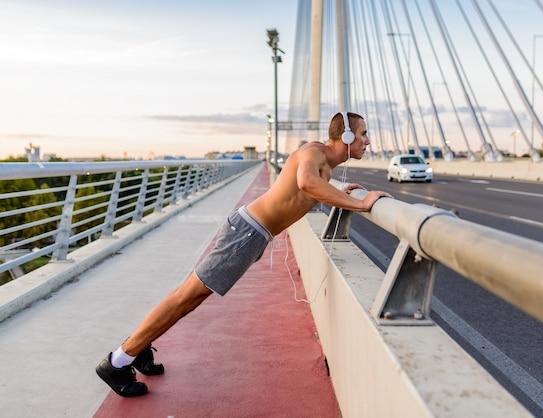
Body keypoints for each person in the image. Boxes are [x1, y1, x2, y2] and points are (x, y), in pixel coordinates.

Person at [95, 111, 393, 397]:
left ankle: (140, 345)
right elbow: (305, 182)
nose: (368, 141)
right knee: (188, 296)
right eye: (364, 134)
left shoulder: (325, 163)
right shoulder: (313, 153)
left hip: (252, 233)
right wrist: (362, 203)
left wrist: (344, 193)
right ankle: (118, 361)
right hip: (246, 234)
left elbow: (311, 187)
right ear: (347, 135)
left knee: (190, 296)